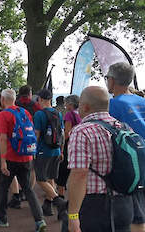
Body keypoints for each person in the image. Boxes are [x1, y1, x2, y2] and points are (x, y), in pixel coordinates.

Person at [68, 86, 134, 232]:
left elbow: (80, 174)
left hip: (94, 207)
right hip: (125, 204)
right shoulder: (124, 128)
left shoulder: (82, 131)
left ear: (85, 107)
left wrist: (73, 215)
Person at [0, 89, 46, 231]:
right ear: (15, 99)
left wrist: (2, 161)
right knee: (28, 189)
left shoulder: (4, 114)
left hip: (10, 157)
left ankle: (2, 219)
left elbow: (2, 138)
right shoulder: (25, 112)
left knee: (3, 188)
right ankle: (40, 220)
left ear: (2, 100)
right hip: (26, 156)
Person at [105, 62, 145, 232]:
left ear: (112, 81)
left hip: (131, 162)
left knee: (135, 215)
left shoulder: (113, 104)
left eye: (107, 78)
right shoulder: (141, 100)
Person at [33, 89, 66, 218]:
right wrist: (62, 150)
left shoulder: (39, 114)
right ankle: (48, 205)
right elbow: (62, 134)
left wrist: (33, 150)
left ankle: (59, 202)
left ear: (40, 99)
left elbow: (37, 135)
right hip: (56, 150)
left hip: (43, 150)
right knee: (51, 178)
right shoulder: (58, 114)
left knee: (41, 179)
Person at [56, 95, 81, 198]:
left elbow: (67, 132)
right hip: (78, 144)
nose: (65, 105)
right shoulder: (81, 114)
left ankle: (61, 196)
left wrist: (61, 146)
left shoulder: (69, 115)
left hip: (69, 145)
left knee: (63, 171)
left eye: (66, 103)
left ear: (70, 104)